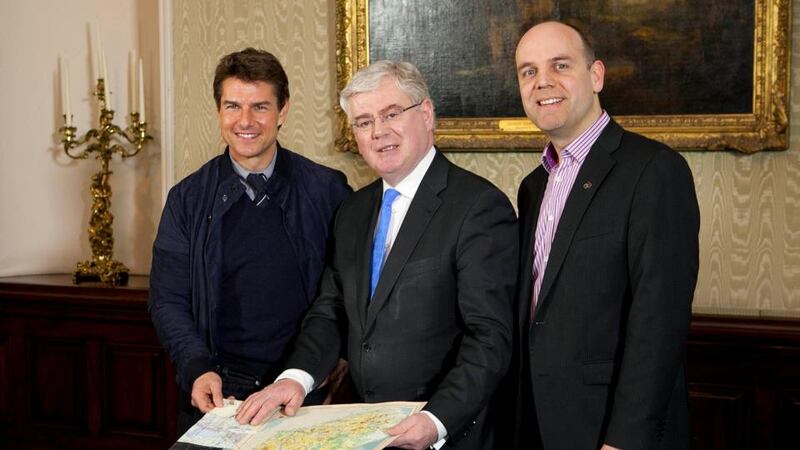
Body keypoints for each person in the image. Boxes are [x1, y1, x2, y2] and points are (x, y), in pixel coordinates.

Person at [233, 60, 518, 449]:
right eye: (364, 122)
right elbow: (330, 310)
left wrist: (436, 420)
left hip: (448, 434)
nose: (379, 131)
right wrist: (294, 379)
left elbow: (490, 337)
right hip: (369, 430)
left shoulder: (478, 207)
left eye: (392, 114)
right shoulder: (353, 211)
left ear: (427, 114)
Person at [508, 21, 700, 449]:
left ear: (596, 75)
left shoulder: (653, 171)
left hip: (611, 430)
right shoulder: (533, 186)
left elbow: (659, 322)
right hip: (540, 423)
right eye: (528, 71)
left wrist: (624, 440)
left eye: (560, 65)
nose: (543, 83)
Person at [148, 48, 352, 436]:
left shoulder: (328, 190)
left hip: (302, 392)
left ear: (283, 110)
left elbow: (348, 290)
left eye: (260, 106)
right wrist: (196, 367)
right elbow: (167, 299)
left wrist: (329, 362)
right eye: (233, 106)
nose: (246, 121)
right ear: (218, 111)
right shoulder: (186, 199)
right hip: (219, 394)